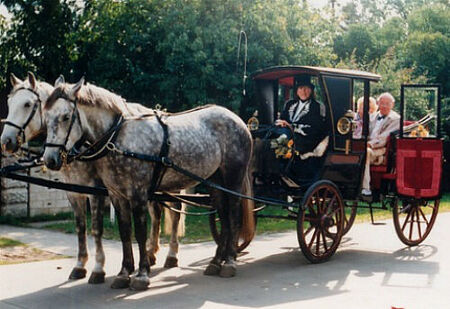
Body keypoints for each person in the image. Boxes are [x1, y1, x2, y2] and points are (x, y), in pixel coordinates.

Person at [274, 75, 329, 183]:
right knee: (270, 137)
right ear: (297, 91)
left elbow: (317, 128)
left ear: (311, 90)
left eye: (306, 88)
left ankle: (282, 169)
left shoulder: (318, 106)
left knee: (283, 138)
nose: (303, 91)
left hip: (307, 139)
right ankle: (271, 168)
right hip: (288, 136)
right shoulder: (289, 104)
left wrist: (290, 127)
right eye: (300, 88)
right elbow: (283, 120)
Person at [361, 92, 400, 196]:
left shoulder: (396, 119)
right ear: (377, 103)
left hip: (380, 151)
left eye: (387, 103)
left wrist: (369, 144)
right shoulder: (372, 116)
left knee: (366, 152)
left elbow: (384, 138)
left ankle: (366, 187)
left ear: (392, 105)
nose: (384, 106)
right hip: (366, 146)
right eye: (382, 103)